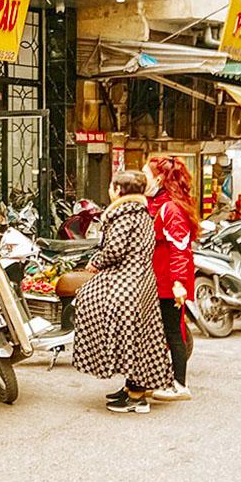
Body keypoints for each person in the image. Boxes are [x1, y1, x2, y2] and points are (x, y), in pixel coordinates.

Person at [71, 171, 175, 414]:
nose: (109, 189)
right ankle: (132, 387)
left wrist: (96, 261)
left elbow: (114, 251)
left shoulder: (123, 215)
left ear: (119, 190)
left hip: (127, 282)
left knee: (126, 333)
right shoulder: (141, 213)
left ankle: (137, 397)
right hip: (142, 281)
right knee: (142, 336)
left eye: (112, 186)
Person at [145, 156, 198, 402]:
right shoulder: (156, 204)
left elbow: (180, 247)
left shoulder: (170, 209)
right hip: (159, 279)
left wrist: (178, 283)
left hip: (169, 281)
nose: (142, 177)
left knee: (173, 332)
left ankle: (180, 385)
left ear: (158, 178)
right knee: (163, 331)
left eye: (146, 173)